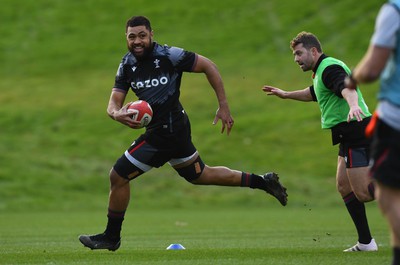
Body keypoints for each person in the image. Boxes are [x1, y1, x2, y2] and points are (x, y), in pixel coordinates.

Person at [78, 15, 288, 251]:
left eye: (142, 36)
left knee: (118, 176)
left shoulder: (169, 55)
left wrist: (224, 105)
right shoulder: (127, 65)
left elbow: (209, 66)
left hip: (167, 132)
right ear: (126, 38)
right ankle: (263, 181)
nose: (137, 41)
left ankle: (111, 237)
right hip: (171, 129)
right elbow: (113, 102)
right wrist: (116, 114)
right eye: (132, 36)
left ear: (151, 35)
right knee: (201, 175)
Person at [262, 32, 377, 252]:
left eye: (299, 53)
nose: (296, 59)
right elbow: (314, 93)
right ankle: (366, 242)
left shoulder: (329, 68)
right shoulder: (321, 72)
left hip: (356, 131)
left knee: (362, 193)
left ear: (313, 51)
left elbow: (347, 87)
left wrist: (354, 106)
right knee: (344, 186)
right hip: (347, 133)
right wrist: (286, 94)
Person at [344, 1, 400, 263]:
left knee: (386, 195)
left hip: (394, 118)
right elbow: (313, 93)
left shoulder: (394, 10)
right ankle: (365, 241)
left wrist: (353, 78)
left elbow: (372, 68)